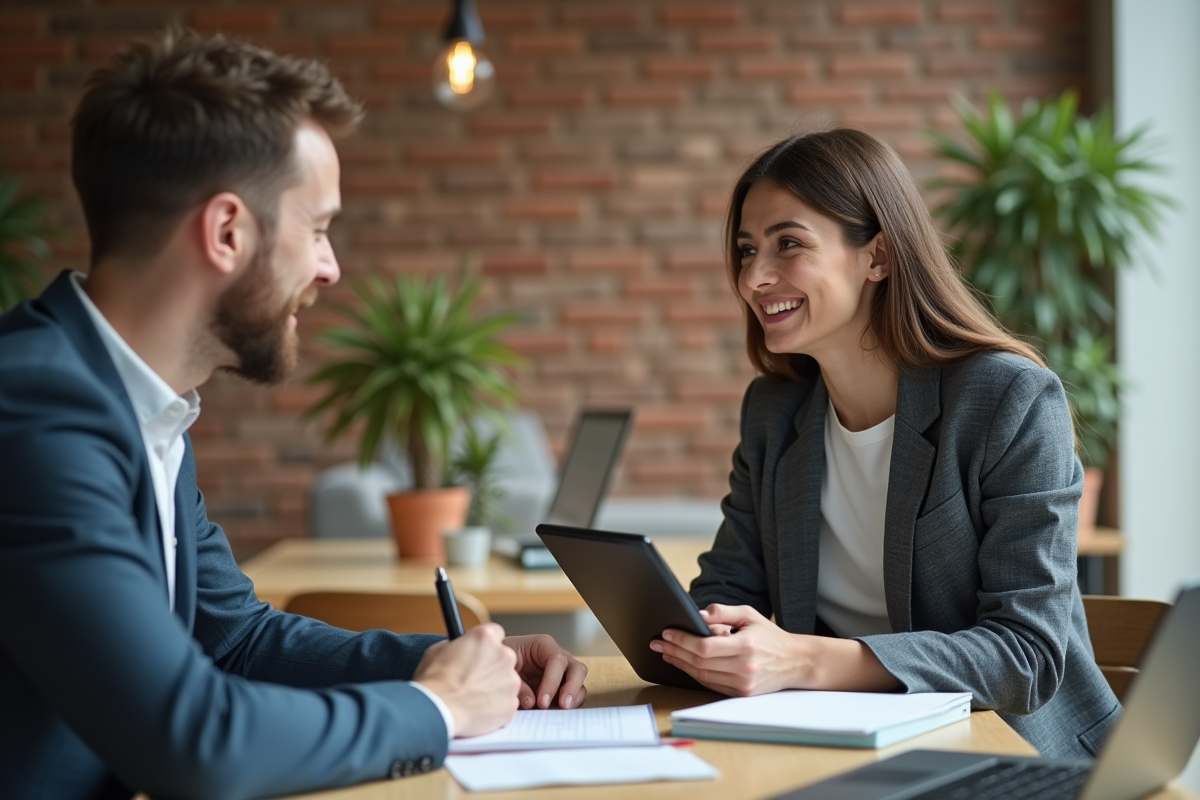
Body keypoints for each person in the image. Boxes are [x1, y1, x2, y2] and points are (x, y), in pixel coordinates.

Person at [0, 30, 586, 800]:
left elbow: (236, 639)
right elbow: (192, 743)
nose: (331, 266)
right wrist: (438, 707)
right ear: (227, 232)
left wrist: (459, 663)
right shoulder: (37, 409)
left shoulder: (136, 403)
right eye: (318, 228)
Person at [650, 129, 1120, 759]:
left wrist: (808, 660)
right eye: (745, 250)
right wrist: (711, 636)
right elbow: (730, 590)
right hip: (839, 745)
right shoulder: (774, 412)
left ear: (879, 256)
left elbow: (1025, 656)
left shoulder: (1008, 400)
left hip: (1009, 752)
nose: (754, 278)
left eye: (788, 244)